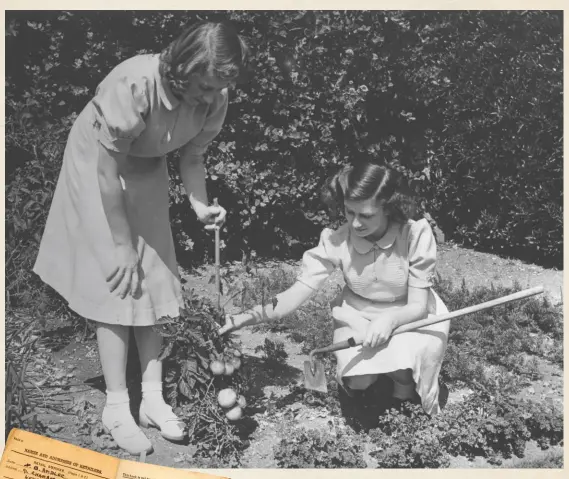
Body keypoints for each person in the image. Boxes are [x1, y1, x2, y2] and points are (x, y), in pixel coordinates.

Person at [33, 20, 250, 455]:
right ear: (183, 67)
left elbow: (192, 157)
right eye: (204, 86)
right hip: (99, 163)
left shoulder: (215, 94)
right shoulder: (134, 81)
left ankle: (152, 398)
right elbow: (107, 168)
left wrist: (199, 203)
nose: (210, 98)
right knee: (120, 277)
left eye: (217, 88)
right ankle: (116, 405)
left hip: (145, 164)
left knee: (154, 274)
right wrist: (120, 245)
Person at [219, 162, 450, 415]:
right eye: (350, 213)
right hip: (359, 312)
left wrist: (391, 320)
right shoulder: (338, 240)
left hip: (408, 312)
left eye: (366, 215)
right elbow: (295, 293)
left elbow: (417, 305)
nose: (356, 223)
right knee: (358, 380)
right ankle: (370, 390)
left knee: (405, 369)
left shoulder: (413, 235)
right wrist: (243, 318)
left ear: (387, 206)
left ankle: (403, 397)